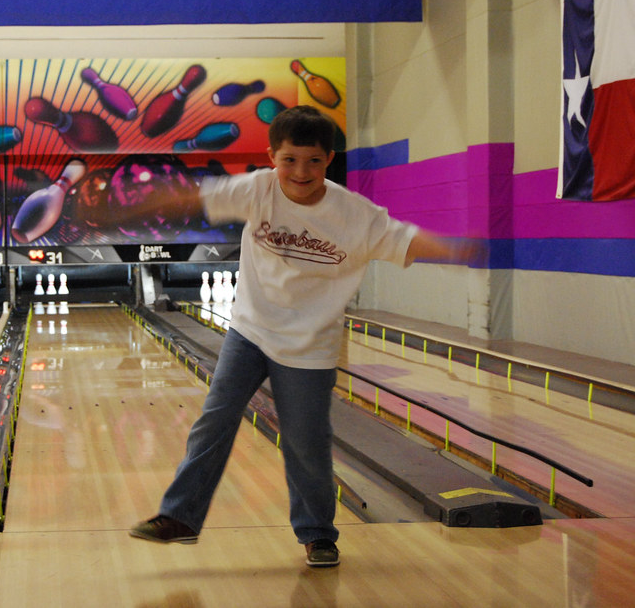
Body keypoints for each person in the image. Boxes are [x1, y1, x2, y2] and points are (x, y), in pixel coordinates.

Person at [128, 105, 484, 567]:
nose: (301, 171)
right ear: (272, 156)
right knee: (214, 420)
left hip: (310, 345)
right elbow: (196, 197)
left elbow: (404, 239)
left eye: (313, 161)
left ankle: (318, 534)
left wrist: (456, 248)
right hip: (250, 329)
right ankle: (180, 517)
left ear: (329, 159)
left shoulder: (355, 214)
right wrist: (145, 202)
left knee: (306, 443)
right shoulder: (257, 188)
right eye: (290, 160)